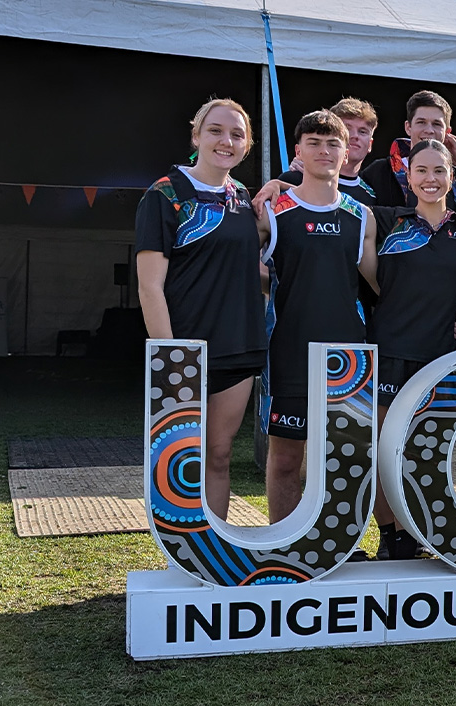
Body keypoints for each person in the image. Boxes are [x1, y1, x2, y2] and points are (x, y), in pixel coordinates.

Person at [135, 98, 266, 521]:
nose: (226, 141)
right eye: (215, 130)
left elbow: (250, 268)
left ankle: (214, 547)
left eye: (237, 134)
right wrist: (172, 355)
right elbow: (149, 286)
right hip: (186, 351)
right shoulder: (165, 194)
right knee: (181, 456)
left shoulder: (243, 198)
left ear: (247, 145)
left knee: (219, 453)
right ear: (196, 136)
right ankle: (184, 547)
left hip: (238, 345)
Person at [367, 138, 456, 559]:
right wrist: (278, 185)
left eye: (439, 170)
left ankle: (419, 531)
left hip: (438, 357)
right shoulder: (387, 219)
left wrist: (455, 312)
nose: (430, 178)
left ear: (451, 176)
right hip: (389, 351)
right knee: (384, 451)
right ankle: (391, 537)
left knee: (422, 452)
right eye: (421, 170)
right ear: (408, 176)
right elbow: (332, 201)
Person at [259, 110, 378, 524]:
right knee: (286, 458)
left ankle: (336, 545)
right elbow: (240, 270)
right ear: (299, 151)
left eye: (332, 144)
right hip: (290, 352)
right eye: (314, 142)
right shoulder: (273, 210)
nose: (324, 151)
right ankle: (284, 544)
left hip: (347, 358)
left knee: (343, 459)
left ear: (346, 153)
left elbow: (381, 285)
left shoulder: (361, 216)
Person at [359, 90, 456, 208]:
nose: (429, 130)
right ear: (408, 127)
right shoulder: (380, 171)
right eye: (421, 122)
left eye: (437, 124)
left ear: (447, 132)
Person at [278, 97, 379, 206]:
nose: (355, 136)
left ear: (370, 144)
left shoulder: (372, 195)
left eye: (362, 131)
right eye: (347, 128)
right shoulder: (294, 179)